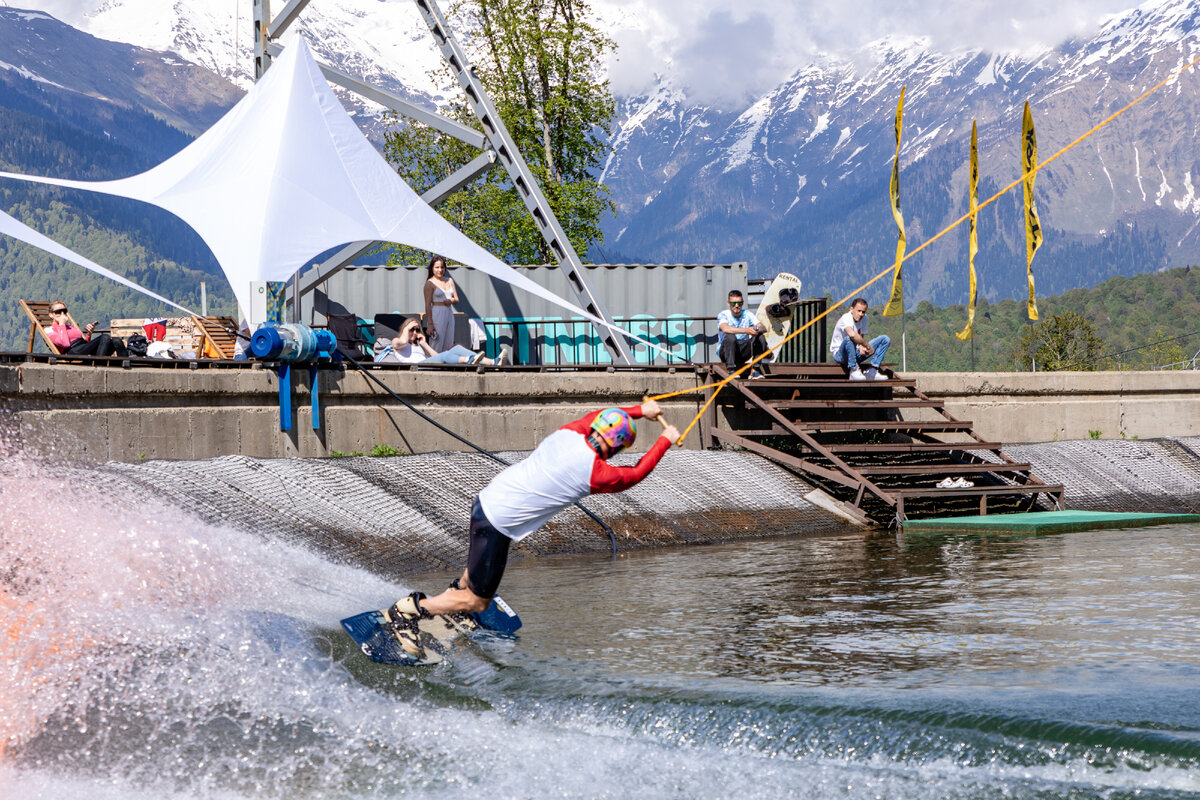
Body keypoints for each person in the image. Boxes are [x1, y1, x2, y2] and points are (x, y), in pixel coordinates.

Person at [384, 400, 681, 656]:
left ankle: (456, 593)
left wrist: (641, 410)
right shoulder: (597, 473)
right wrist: (665, 439)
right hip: (498, 523)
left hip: (487, 500)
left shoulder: (571, 431)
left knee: (478, 571)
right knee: (479, 600)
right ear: (617, 448)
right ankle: (410, 611)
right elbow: (637, 472)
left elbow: (600, 415)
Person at [373, 316, 508, 365]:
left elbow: (438, 358)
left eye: (417, 329)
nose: (415, 332)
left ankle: (493, 362)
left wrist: (424, 343)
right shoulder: (398, 342)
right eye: (412, 330)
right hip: (415, 367)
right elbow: (401, 342)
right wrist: (407, 329)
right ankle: (469, 360)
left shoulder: (419, 346)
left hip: (425, 364)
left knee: (456, 349)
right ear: (405, 330)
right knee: (448, 354)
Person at [829, 298, 890, 381]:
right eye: (859, 311)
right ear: (851, 309)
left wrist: (862, 347)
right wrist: (867, 345)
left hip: (855, 352)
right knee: (849, 339)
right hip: (840, 355)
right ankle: (853, 370)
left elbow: (861, 337)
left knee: (885, 339)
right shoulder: (846, 318)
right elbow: (852, 334)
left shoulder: (864, 318)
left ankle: (872, 370)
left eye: (863, 312)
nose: (861, 314)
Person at [44, 302, 128, 357]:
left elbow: (86, 344)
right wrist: (62, 324)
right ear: (51, 315)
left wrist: (89, 334)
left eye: (64, 311)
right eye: (58, 312)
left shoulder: (71, 327)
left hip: (82, 348)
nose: (62, 314)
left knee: (117, 341)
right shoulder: (49, 330)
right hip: (71, 351)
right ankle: (99, 365)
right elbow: (65, 344)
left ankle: (124, 366)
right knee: (104, 337)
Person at [716, 290, 769, 378]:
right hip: (726, 352)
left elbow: (763, 327)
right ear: (728, 303)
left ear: (742, 303)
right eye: (733, 303)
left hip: (743, 351)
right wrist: (746, 330)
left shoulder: (747, 314)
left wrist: (756, 329)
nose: (736, 306)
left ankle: (755, 371)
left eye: (739, 303)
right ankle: (731, 370)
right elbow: (725, 328)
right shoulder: (724, 314)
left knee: (760, 337)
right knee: (730, 336)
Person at [423, 255, 459, 353]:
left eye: (442, 267)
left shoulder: (449, 280)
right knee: (437, 342)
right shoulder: (429, 283)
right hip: (437, 313)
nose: (440, 270)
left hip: (449, 312)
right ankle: (433, 364)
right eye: (437, 267)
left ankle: (447, 364)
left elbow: (456, 299)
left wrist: (451, 301)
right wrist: (430, 324)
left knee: (449, 341)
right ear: (432, 268)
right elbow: (427, 305)